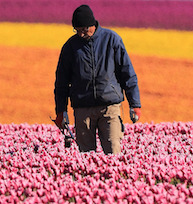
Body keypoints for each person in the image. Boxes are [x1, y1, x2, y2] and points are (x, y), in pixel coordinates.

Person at [54, 4, 141, 155]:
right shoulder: (70, 47)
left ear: (92, 25)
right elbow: (61, 82)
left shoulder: (112, 40)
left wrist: (135, 104)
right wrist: (61, 111)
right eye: (77, 30)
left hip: (109, 107)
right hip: (83, 109)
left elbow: (127, 73)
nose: (81, 34)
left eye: (84, 30)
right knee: (86, 156)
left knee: (113, 150)